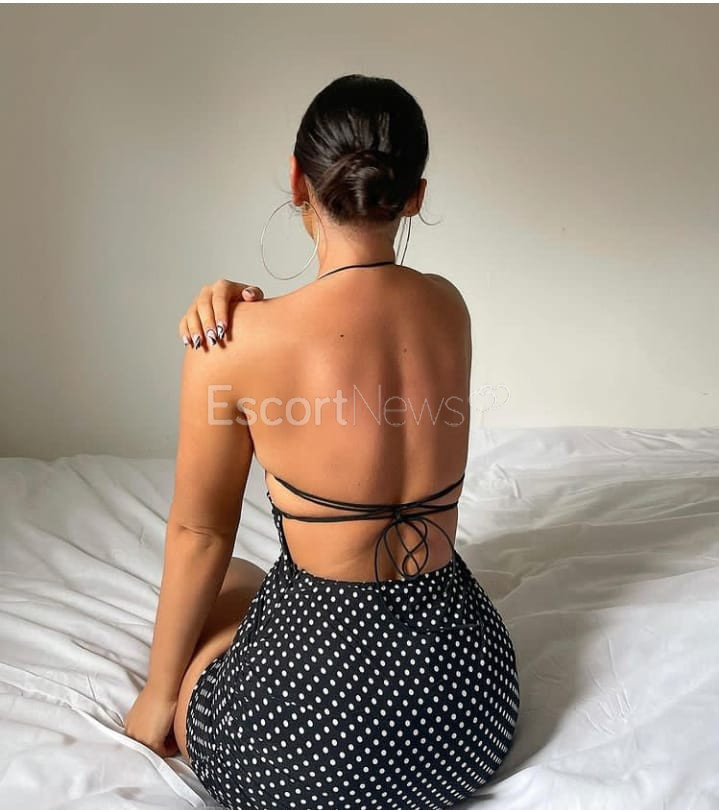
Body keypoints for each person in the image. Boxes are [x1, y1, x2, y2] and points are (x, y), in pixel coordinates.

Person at [124, 74, 519, 810]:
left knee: (234, 575)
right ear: (414, 195)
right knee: (254, 581)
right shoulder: (448, 306)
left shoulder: (232, 342)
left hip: (308, 748)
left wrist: (157, 697)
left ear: (297, 180)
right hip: (470, 716)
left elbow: (200, 534)